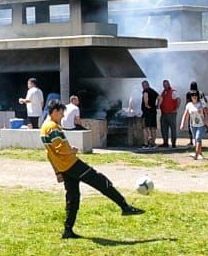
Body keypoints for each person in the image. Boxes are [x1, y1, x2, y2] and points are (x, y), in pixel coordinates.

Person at [41, 101, 144, 239]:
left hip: (64, 168)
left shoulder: (44, 128)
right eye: (61, 113)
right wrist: (71, 150)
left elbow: (49, 154)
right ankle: (124, 206)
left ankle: (68, 230)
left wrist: (58, 172)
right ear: (54, 111)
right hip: (72, 165)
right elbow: (60, 148)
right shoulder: (52, 127)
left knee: (73, 198)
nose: (62, 116)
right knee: (100, 181)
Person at [181, 90, 208, 161]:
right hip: (193, 125)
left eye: (195, 95)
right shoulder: (189, 105)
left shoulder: (201, 103)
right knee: (197, 139)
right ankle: (199, 153)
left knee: (197, 138)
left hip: (201, 124)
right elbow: (185, 115)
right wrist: (183, 123)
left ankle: (196, 155)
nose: (194, 97)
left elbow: (206, 112)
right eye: (192, 95)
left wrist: (206, 122)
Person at [158, 81, 179, 149]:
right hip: (164, 113)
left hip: (171, 114)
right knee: (164, 129)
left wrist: (176, 108)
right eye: (164, 85)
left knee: (173, 129)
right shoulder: (163, 92)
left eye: (166, 85)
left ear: (169, 85)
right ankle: (165, 143)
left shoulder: (173, 92)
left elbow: (178, 100)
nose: (165, 86)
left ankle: (173, 143)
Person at [139, 80, 158, 148]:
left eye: (143, 86)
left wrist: (146, 105)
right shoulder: (153, 91)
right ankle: (153, 143)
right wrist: (157, 105)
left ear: (145, 85)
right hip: (153, 112)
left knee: (145, 128)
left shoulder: (145, 91)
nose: (142, 87)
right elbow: (160, 98)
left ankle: (146, 143)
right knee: (153, 128)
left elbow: (145, 97)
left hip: (146, 113)